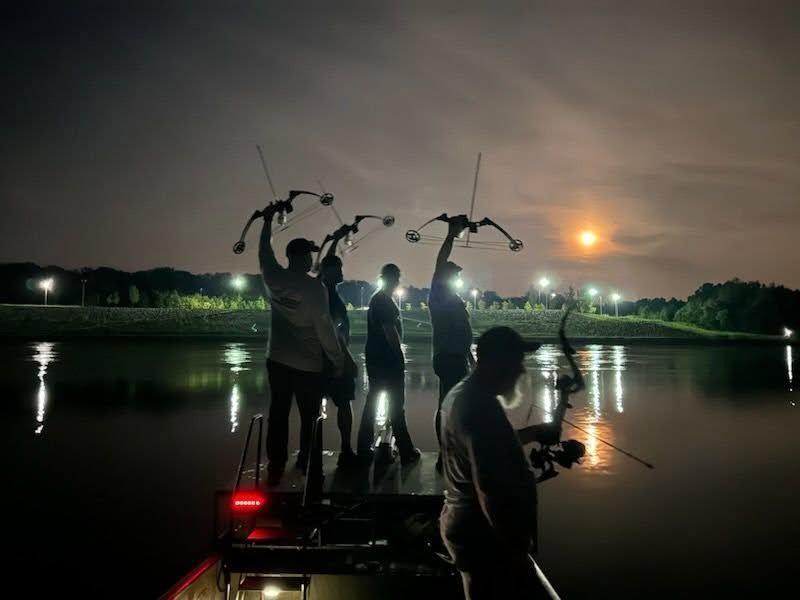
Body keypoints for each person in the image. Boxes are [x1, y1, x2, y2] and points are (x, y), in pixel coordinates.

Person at [439, 326, 558, 600]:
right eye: (515, 362)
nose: (521, 371)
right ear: (495, 363)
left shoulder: (463, 392)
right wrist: (515, 548)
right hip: (484, 536)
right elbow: (489, 487)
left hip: (468, 528)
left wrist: (536, 432)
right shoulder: (480, 408)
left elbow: (483, 446)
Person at [258, 201, 345, 485]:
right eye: (308, 253)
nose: (311, 259)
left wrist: (268, 221)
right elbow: (325, 330)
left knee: (278, 413)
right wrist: (338, 360)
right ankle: (307, 461)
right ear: (297, 256)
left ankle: (276, 465)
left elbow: (264, 251)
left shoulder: (272, 277)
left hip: (277, 360)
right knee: (310, 417)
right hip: (308, 365)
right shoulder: (314, 288)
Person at [356, 263, 420, 465]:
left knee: (372, 404)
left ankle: (363, 449)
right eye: (397, 279)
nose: (397, 282)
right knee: (396, 406)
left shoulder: (377, 298)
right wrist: (399, 357)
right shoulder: (384, 301)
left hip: (375, 360)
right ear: (393, 279)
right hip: (387, 362)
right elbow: (390, 332)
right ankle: (406, 451)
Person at [428, 215, 474, 472]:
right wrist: (451, 233)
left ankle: (452, 453)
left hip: (457, 357)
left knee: (454, 406)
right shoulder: (438, 294)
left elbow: (461, 332)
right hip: (448, 358)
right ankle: (444, 455)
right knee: (447, 406)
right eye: (453, 273)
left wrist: (470, 357)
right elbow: (440, 260)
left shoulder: (453, 298)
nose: (456, 276)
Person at [317, 229, 359, 468]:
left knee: (323, 406)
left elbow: (326, 262)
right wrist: (346, 359)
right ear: (329, 272)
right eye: (339, 269)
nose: (342, 272)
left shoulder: (323, 292)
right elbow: (335, 332)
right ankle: (345, 450)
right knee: (344, 403)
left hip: (322, 360)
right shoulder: (327, 297)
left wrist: (334, 240)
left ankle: (314, 452)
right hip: (334, 361)